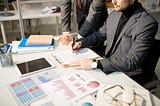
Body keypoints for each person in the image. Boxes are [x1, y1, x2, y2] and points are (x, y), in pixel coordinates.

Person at [69, 0, 158, 84]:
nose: (113, 2)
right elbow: (98, 35)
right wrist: (81, 42)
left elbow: (131, 61)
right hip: (106, 64)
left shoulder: (147, 23)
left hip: (126, 75)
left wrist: (95, 64)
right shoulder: (114, 14)